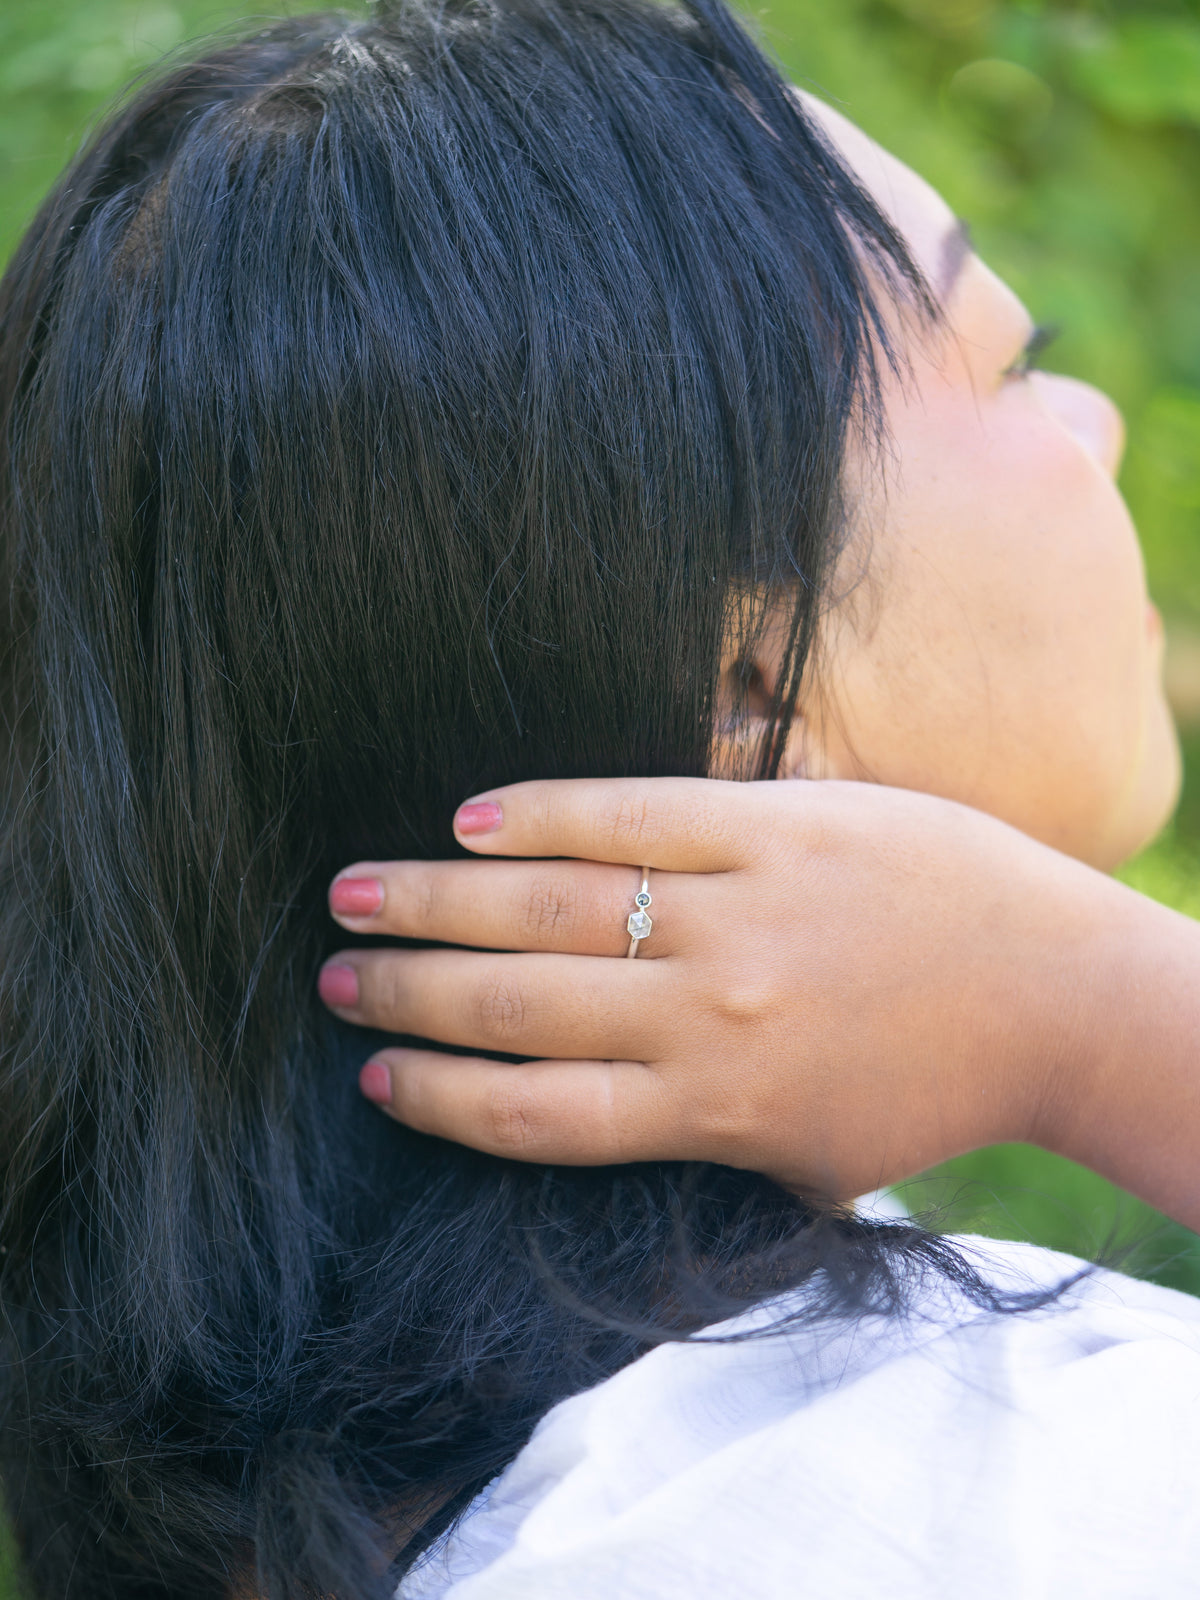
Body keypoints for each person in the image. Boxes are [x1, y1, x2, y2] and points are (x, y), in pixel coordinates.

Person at [2, 5, 1198, 1600]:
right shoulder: (1039, 1498)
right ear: (746, 684)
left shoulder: (308, 1507)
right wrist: (1100, 1019)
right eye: (1016, 365)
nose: (1098, 420)